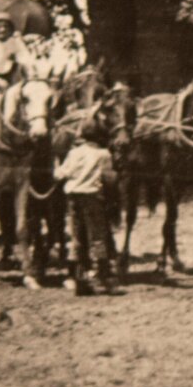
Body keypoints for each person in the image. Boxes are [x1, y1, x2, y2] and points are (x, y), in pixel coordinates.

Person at [54, 121, 117, 295]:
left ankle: (78, 277)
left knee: (76, 235)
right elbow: (108, 178)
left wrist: (57, 167)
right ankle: (102, 277)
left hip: (73, 197)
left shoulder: (74, 152)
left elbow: (61, 174)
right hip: (93, 197)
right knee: (97, 235)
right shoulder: (104, 154)